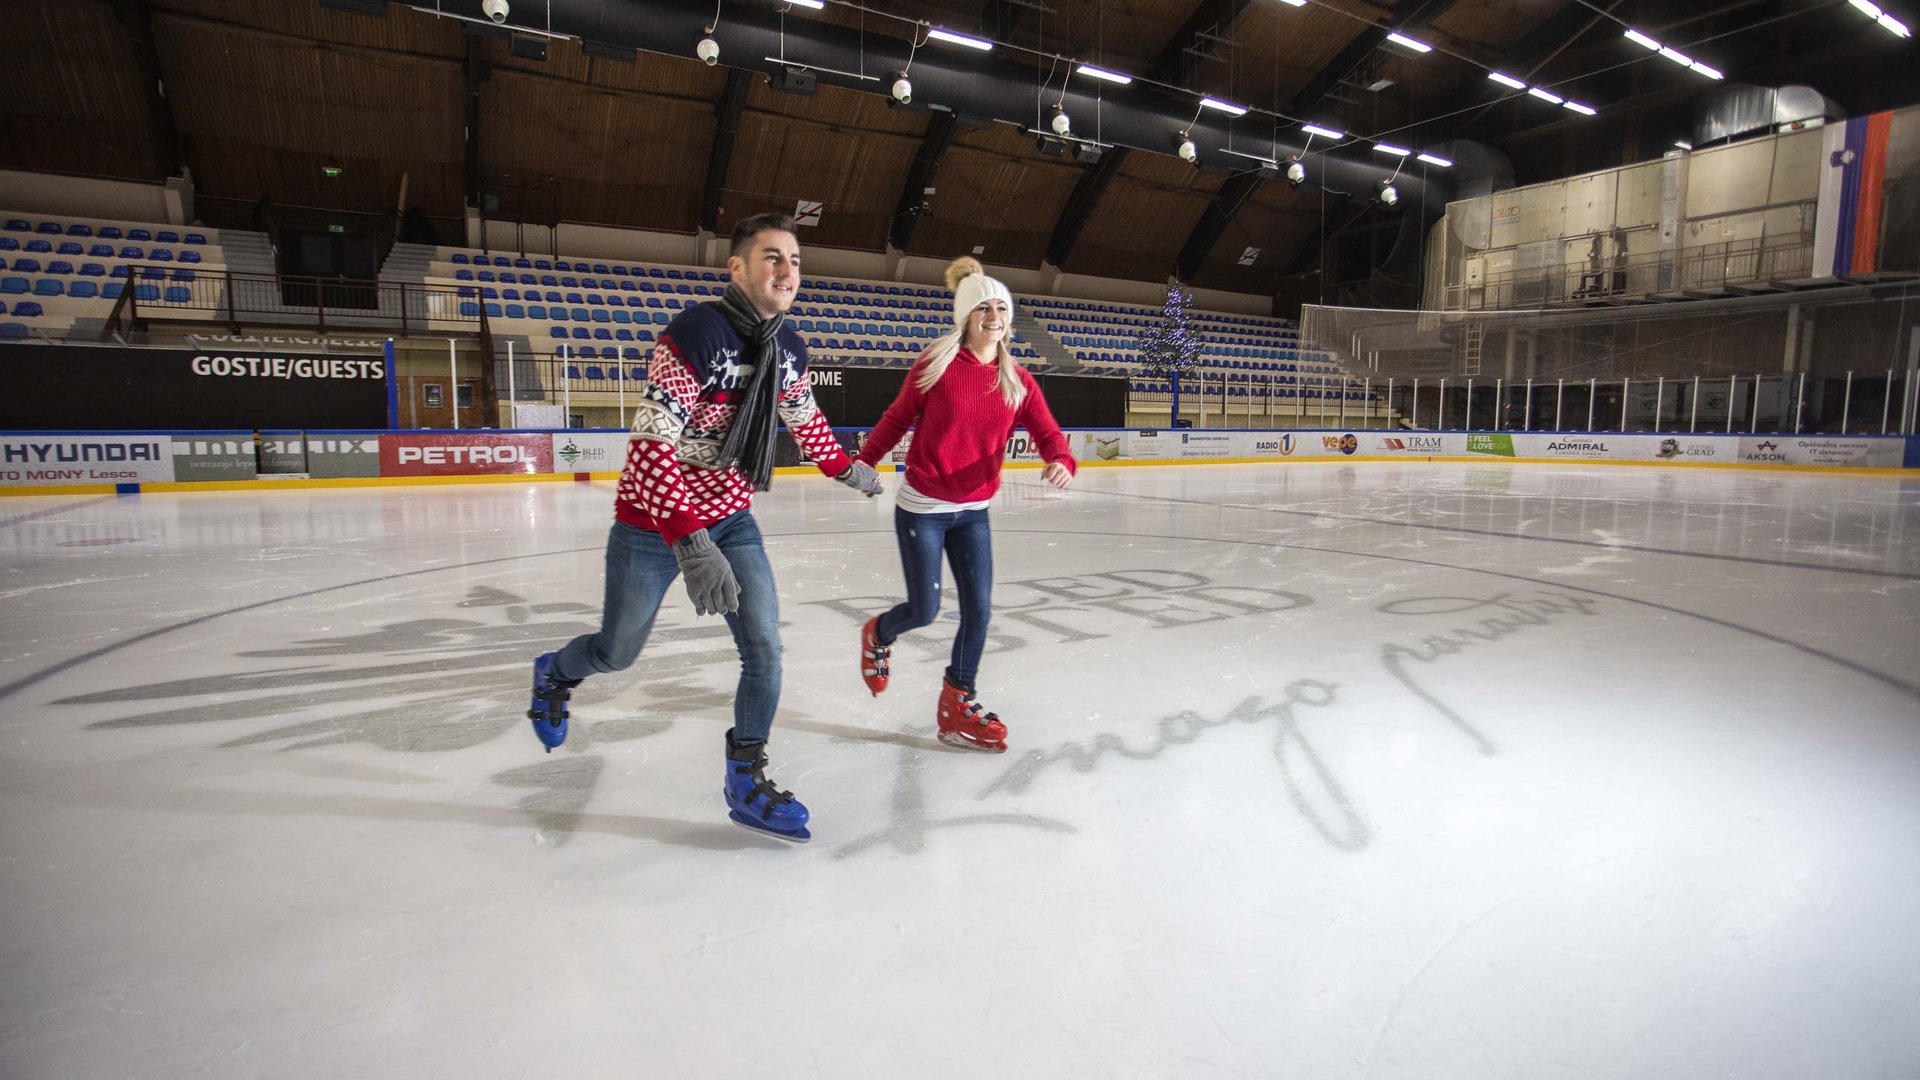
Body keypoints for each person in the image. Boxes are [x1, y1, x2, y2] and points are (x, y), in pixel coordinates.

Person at [524, 212, 883, 842]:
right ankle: (556, 672)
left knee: (765, 647)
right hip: (653, 524)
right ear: (737, 268)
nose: (787, 270)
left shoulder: (788, 348)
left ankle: (745, 777)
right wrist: (690, 544)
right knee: (618, 650)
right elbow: (650, 449)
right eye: (772, 257)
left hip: (732, 518)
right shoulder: (696, 335)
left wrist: (847, 470)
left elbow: (806, 421)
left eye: (795, 260)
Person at [851, 256, 1075, 753]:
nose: (993, 317)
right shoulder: (937, 365)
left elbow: (1047, 431)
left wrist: (1059, 458)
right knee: (926, 610)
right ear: (966, 318)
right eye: (983, 309)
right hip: (923, 509)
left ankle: (958, 702)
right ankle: (878, 634)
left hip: (974, 511)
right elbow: (895, 418)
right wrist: (864, 464)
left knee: (979, 612)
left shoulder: (1017, 379)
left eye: (1001, 308)